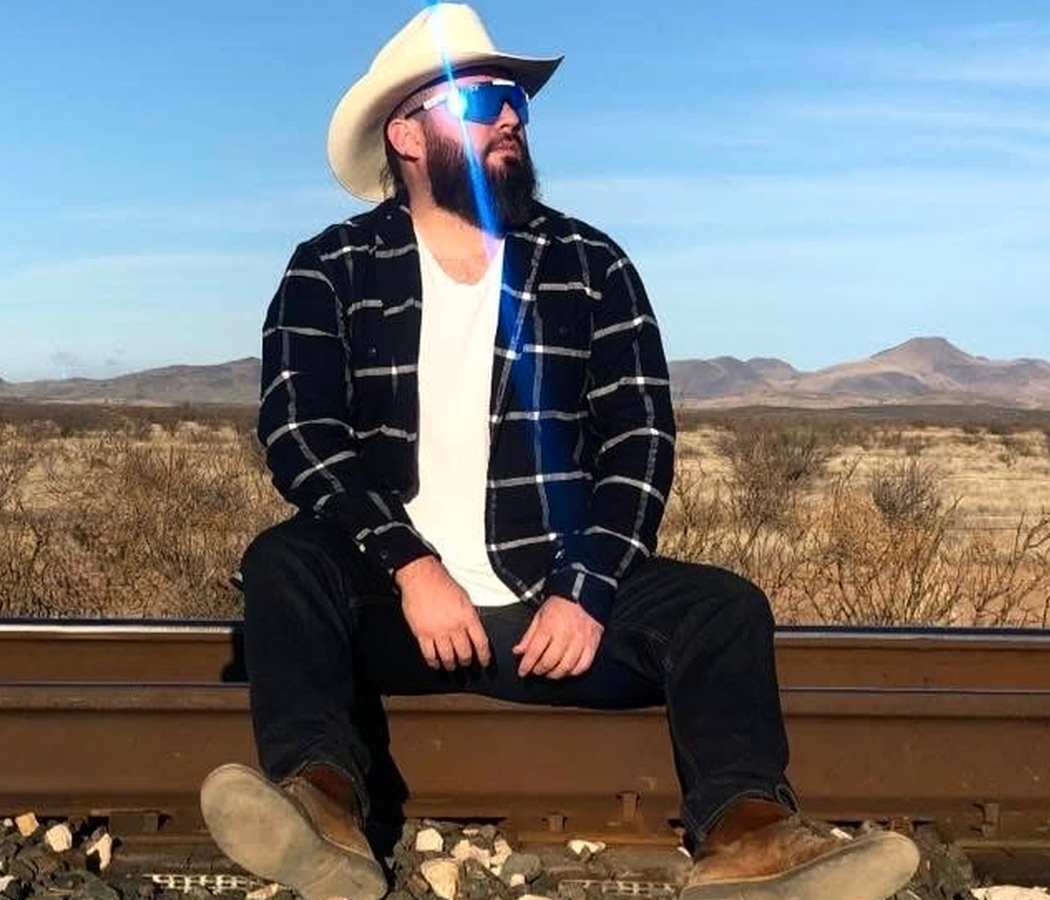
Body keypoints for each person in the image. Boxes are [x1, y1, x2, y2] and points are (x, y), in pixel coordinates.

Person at [200, 5, 920, 900]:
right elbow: (301, 435)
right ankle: (325, 812)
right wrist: (411, 566)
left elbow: (640, 442)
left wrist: (584, 591)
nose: (509, 115)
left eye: (517, 101)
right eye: (480, 99)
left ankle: (748, 835)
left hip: (553, 616)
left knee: (722, 608)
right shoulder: (332, 267)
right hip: (395, 610)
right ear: (406, 134)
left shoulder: (589, 263)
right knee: (285, 562)